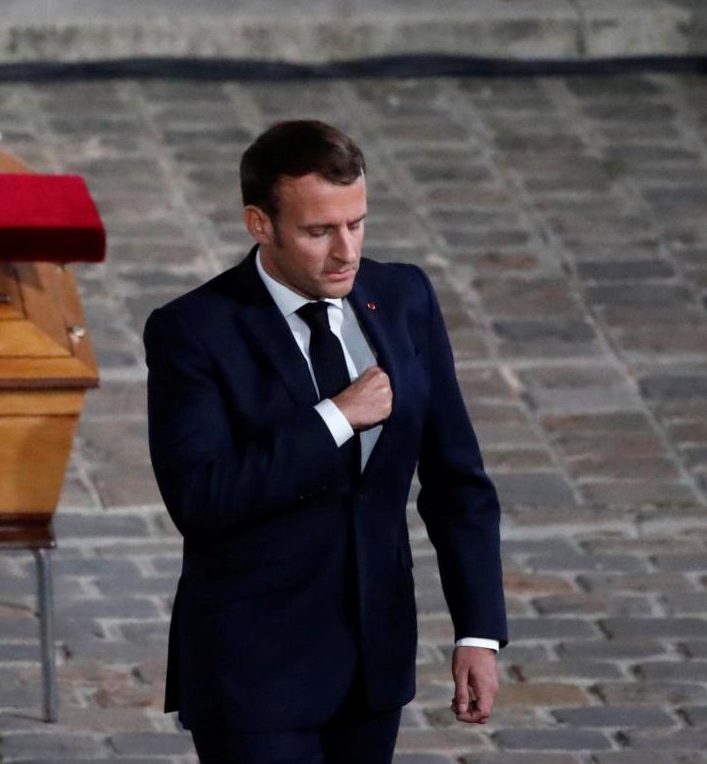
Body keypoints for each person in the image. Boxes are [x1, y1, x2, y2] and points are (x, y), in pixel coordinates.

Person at [143, 120, 508, 763]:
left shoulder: (403, 299)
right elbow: (200, 497)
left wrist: (478, 632)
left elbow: (458, 484)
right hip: (255, 673)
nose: (346, 252)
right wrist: (335, 418)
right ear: (261, 224)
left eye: (357, 223)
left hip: (373, 664)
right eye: (319, 232)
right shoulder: (194, 331)